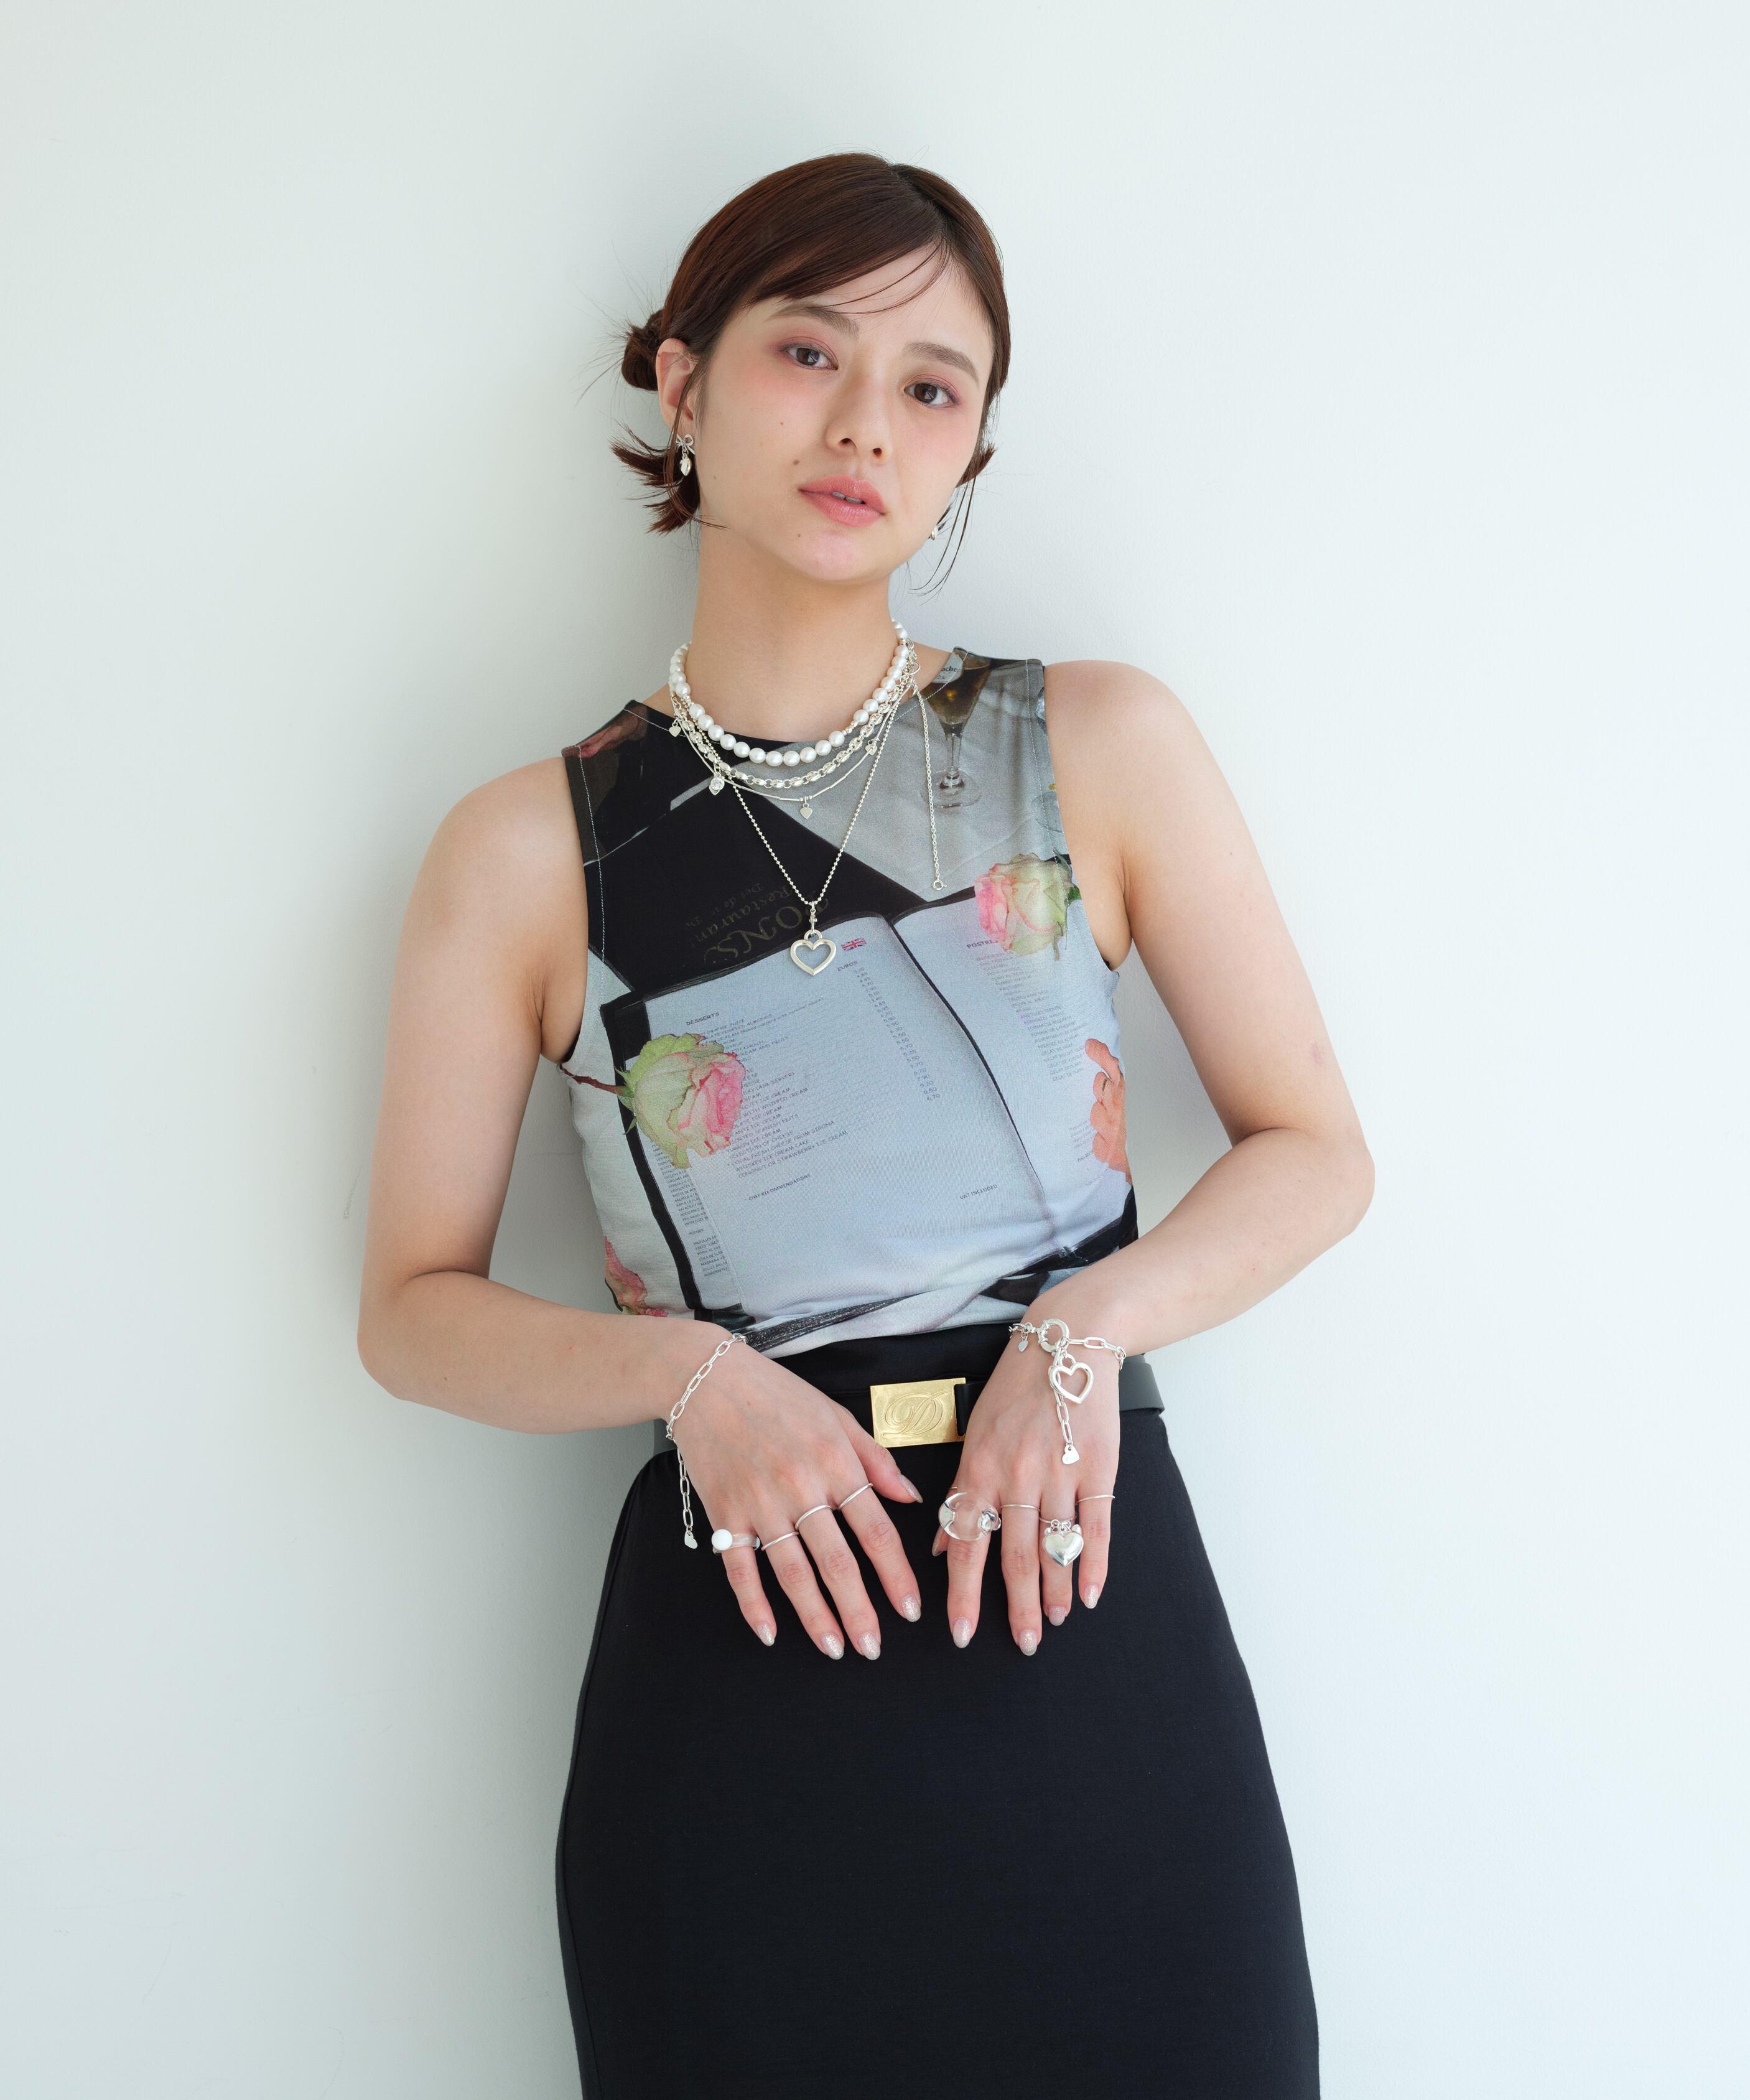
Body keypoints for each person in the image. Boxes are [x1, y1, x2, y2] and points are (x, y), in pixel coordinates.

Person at [357, 151, 1372, 2099]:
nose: (863, 425)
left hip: (1093, 1632)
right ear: (683, 379)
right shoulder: (527, 853)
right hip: (746, 1683)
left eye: (930, 385)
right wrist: (688, 1380)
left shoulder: (1096, 745)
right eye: (805, 351)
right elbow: (410, 1308)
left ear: (973, 443)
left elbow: (1315, 1149)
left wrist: (1085, 1331)